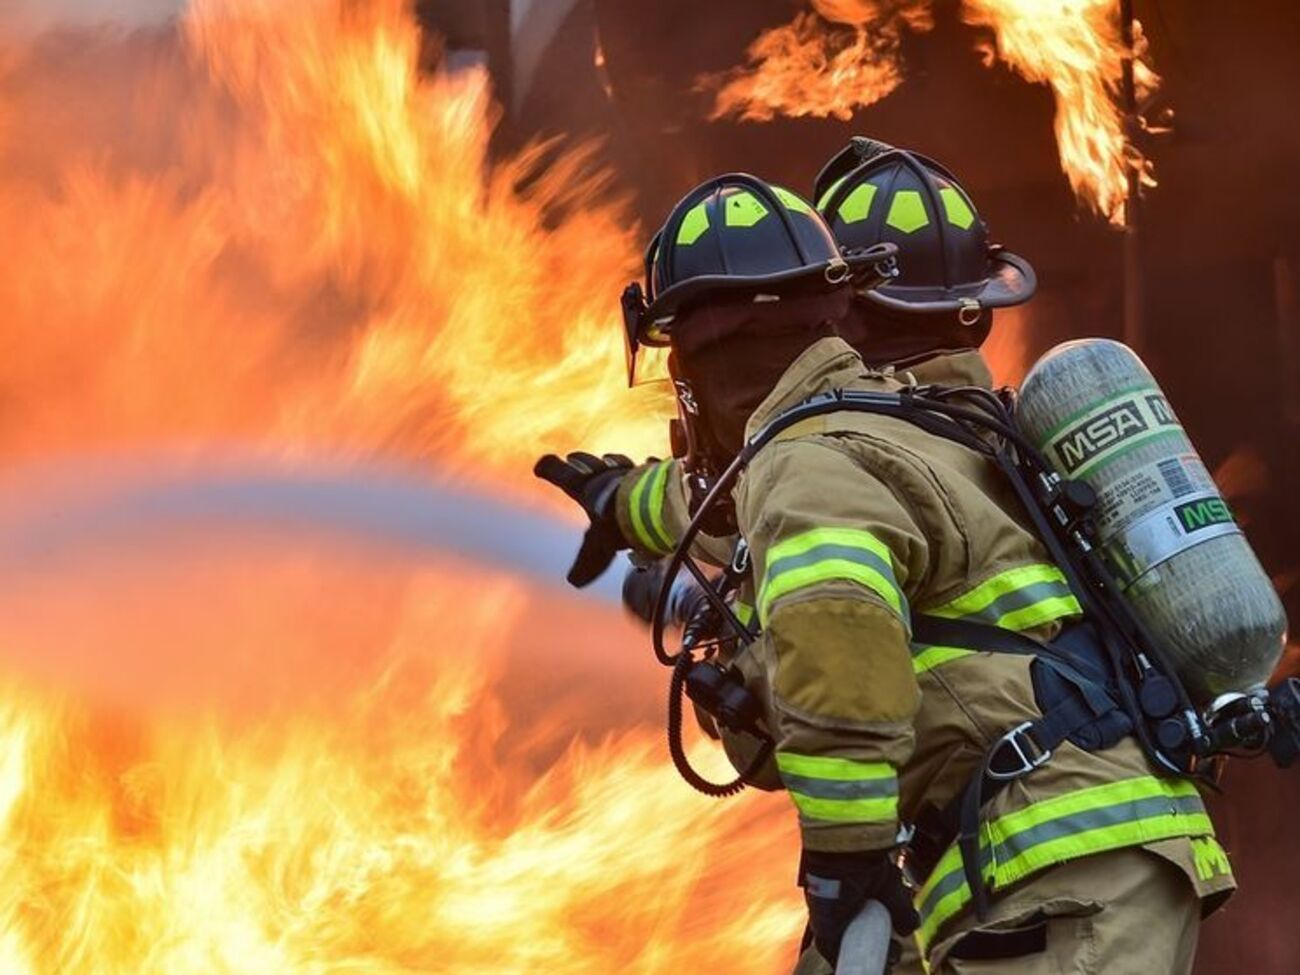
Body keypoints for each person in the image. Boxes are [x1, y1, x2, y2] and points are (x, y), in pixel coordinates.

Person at [537, 148, 1235, 974]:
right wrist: (623, 504)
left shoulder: (810, 461)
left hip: (1055, 864)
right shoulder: (898, 428)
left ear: (699, 362)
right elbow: (723, 503)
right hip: (1077, 852)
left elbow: (838, 645)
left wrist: (844, 859)